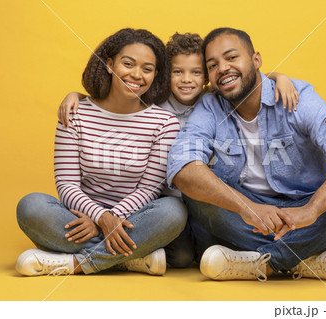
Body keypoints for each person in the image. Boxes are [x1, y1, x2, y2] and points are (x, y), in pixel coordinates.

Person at [57, 32, 299, 268]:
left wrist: (280, 77)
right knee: (182, 255)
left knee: (198, 253)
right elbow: (119, 100)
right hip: (162, 201)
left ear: (207, 76)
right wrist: (77, 96)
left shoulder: (216, 101)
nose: (186, 80)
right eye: (177, 72)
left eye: (196, 72)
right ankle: (127, 256)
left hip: (207, 200)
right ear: (165, 75)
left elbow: (248, 80)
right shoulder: (155, 105)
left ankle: (118, 255)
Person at [166, 27, 326, 281]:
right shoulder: (210, 106)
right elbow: (184, 167)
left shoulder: (296, 95)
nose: (222, 68)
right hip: (245, 214)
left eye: (232, 57)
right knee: (196, 194)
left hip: (305, 210)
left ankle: (266, 262)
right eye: (212, 65)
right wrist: (249, 208)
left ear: (256, 60)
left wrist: (311, 210)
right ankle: (309, 256)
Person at [15, 28, 188, 276]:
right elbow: (66, 185)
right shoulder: (74, 113)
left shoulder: (164, 123)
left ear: (156, 75)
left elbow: (149, 189)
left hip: (135, 219)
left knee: (173, 211)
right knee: (30, 206)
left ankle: (75, 263)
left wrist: (110, 220)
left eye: (147, 69)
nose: (137, 75)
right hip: (81, 214)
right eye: (128, 64)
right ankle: (132, 257)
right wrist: (100, 218)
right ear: (109, 65)